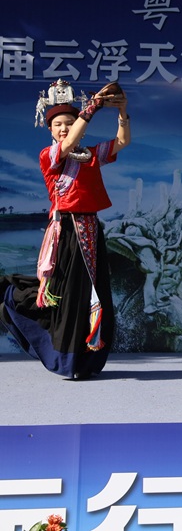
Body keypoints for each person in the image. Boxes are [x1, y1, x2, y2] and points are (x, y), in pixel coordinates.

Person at [0, 79, 130, 380]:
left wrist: (122, 113)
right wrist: (91, 108)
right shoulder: (51, 156)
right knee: (67, 296)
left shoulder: (90, 157)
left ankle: (87, 361)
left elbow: (122, 142)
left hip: (90, 230)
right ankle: (65, 359)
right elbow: (68, 144)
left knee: (92, 295)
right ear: (50, 129)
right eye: (58, 124)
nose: (63, 128)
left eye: (68, 123)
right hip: (67, 232)